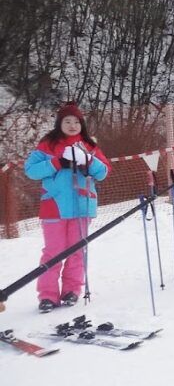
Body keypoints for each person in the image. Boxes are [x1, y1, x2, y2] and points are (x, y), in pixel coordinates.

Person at [23, 102, 110, 312]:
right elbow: (31, 170)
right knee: (53, 252)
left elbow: (104, 172)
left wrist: (88, 161)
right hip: (55, 207)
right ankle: (47, 295)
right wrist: (56, 163)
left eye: (76, 121)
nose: (72, 125)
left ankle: (72, 290)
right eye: (67, 121)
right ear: (59, 123)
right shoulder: (48, 145)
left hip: (82, 206)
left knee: (77, 251)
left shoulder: (88, 145)